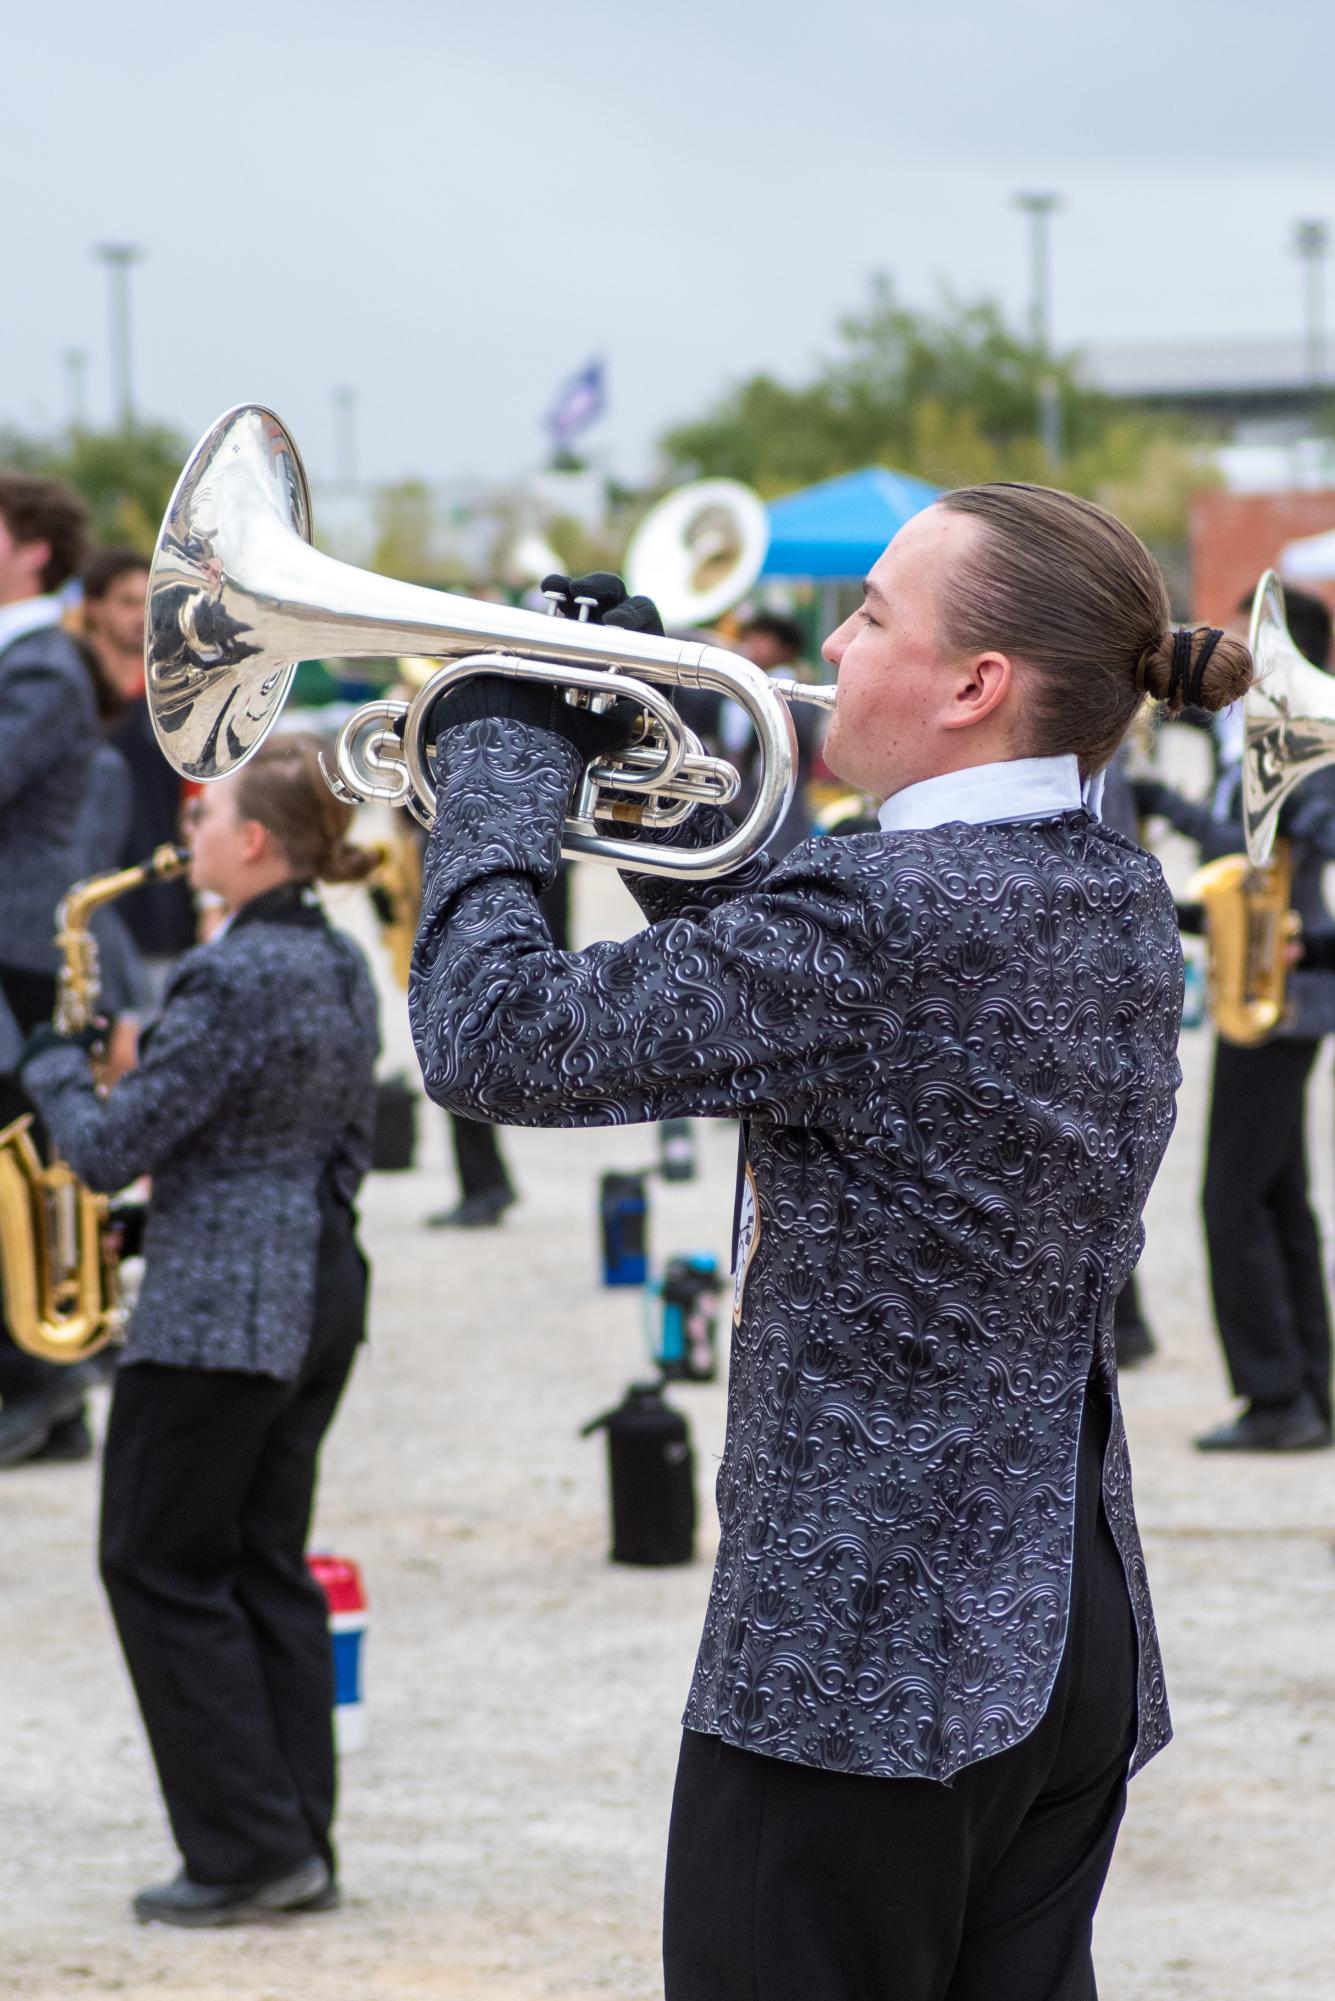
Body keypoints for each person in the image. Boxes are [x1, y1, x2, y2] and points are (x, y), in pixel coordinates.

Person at [405, 499, 1252, 2000]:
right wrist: (655, 727)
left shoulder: (882, 917)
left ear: (972, 684)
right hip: (1055, 1615)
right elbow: (788, 988)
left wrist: (496, 757)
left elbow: (491, 1040)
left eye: (868, 616)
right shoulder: (1100, 886)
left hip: (862, 1656)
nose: (833, 644)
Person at [21, 732, 380, 1926]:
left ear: (257, 841)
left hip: (226, 1302)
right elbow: (348, 1140)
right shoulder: (335, 961)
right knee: (262, 1561)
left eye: (205, 815)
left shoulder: (233, 976)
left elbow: (112, 1150)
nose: (189, 833)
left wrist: (54, 1068)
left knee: (157, 1561)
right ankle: (294, 1840)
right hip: (321, 1280)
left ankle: (244, 1851)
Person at [1136, 582, 1335, 1452]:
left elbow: (1252, 849)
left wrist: (1165, 806)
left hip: (1284, 992)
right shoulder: (1275, 745)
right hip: (1279, 990)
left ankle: (1274, 1398)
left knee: (1229, 1200)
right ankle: (1308, 1391)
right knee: (1280, 1195)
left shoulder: (1308, 749)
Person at [0, 470, 100, 1467]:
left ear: (34, 548)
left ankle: (41, 1383)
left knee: (15, 1174)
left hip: (18, 952)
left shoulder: (38, 666)